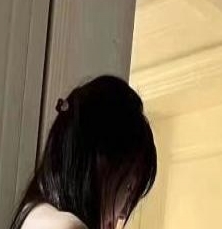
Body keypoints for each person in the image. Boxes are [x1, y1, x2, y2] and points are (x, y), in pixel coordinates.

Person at [11, 75, 158, 229]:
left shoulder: (33, 212)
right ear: (102, 161)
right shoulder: (68, 226)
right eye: (129, 188)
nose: (124, 212)